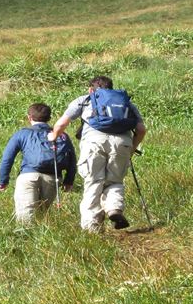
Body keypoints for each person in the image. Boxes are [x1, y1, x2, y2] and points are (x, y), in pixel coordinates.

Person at [48, 76, 147, 232]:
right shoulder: (125, 102)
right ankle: (114, 209)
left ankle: (91, 228)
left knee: (93, 182)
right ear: (112, 88)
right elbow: (141, 130)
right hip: (122, 143)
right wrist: (131, 150)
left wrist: (54, 135)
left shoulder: (85, 99)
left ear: (90, 89)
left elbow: (61, 123)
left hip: (94, 143)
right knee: (115, 181)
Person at [0, 103, 76, 223]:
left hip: (28, 176)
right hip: (52, 178)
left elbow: (7, 159)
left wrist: (3, 181)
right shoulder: (62, 135)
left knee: (25, 216)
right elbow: (72, 160)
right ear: (49, 118)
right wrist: (69, 181)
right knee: (42, 215)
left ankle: (25, 238)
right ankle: (41, 237)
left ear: (29, 117)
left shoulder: (22, 134)